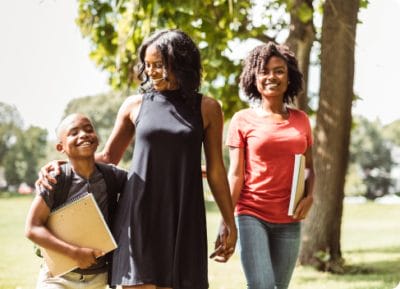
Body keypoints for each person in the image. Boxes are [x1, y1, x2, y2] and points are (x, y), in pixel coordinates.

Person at [37, 29, 237, 289]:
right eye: (148, 65)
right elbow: (108, 157)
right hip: (139, 214)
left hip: (183, 214)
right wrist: (64, 163)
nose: (151, 72)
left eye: (158, 65)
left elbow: (216, 170)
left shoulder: (208, 108)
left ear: (179, 63)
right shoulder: (135, 105)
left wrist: (229, 221)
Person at [226, 42, 315, 289]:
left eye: (279, 71)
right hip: (251, 214)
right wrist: (227, 219)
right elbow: (235, 174)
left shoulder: (302, 120)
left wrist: (310, 196)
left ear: (289, 78)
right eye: (264, 71)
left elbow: (309, 167)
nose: (271, 77)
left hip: (289, 219)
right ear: (253, 78)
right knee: (262, 286)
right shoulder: (242, 120)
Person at [25, 113, 127, 289]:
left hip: (99, 279)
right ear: (61, 147)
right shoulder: (55, 179)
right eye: (74, 133)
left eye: (89, 129)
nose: (83, 135)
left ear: (97, 138)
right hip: (57, 278)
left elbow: (145, 186)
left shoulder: (112, 176)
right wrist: (75, 253)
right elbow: (32, 228)